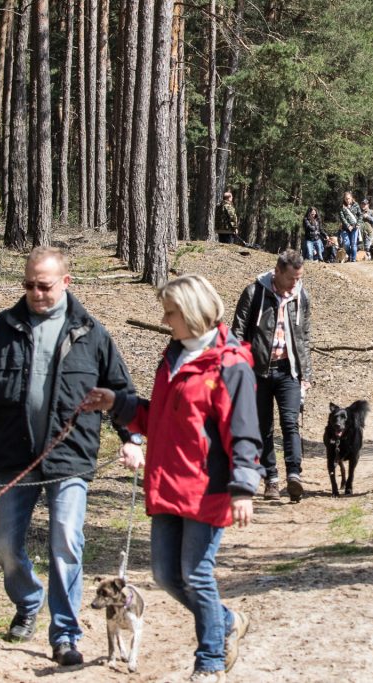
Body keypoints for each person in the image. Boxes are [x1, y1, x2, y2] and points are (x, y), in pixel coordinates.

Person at [0, 247, 135, 666]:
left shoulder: (92, 333)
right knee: (6, 544)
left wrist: (131, 439)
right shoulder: (1, 329)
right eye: (28, 285)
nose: (35, 293)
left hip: (71, 459)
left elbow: (121, 393)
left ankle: (65, 634)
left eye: (43, 285)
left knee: (66, 541)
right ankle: (28, 600)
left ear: (66, 282)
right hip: (13, 457)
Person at [81, 275, 263, 683]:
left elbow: (245, 429)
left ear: (193, 312)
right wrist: (119, 404)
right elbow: (160, 418)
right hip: (167, 484)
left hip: (207, 488)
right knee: (165, 574)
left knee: (197, 575)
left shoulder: (229, 363)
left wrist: (243, 486)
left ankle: (210, 660)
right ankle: (228, 620)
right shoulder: (173, 355)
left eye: (170, 312)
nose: (164, 320)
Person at [231, 250, 313, 502]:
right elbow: (238, 332)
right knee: (264, 427)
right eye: (291, 278)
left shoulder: (301, 297)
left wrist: (306, 374)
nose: (294, 284)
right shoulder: (254, 292)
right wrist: (238, 369)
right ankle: (272, 480)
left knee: (290, 423)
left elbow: (304, 338)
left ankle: (294, 476)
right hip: (257, 372)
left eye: (298, 278)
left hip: (289, 370)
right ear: (277, 272)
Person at [338, 191, 362, 263]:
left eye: (348, 198)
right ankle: (348, 256)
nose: (347, 200)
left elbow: (360, 215)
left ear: (351, 198)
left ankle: (353, 259)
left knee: (353, 243)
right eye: (346, 199)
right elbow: (342, 218)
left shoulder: (356, 205)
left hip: (355, 227)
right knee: (347, 244)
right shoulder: (342, 207)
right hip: (345, 228)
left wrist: (358, 223)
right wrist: (348, 225)